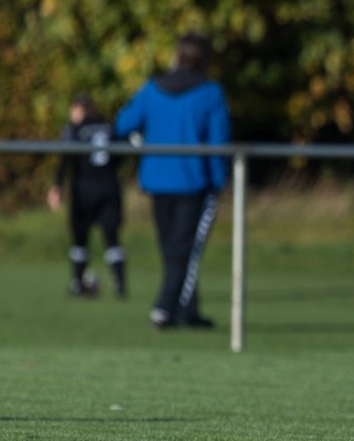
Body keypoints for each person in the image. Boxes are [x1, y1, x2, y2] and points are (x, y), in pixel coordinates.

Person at [114, 33, 231, 330]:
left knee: (173, 249)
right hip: (193, 183)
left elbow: (123, 123)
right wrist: (219, 182)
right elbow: (218, 145)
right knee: (183, 251)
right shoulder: (211, 93)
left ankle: (187, 312)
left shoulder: (152, 90)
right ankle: (164, 309)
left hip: (157, 181)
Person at [48, 93, 127, 298]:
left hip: (83, 188)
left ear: (78, 109)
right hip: (109, 187)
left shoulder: (74, 129)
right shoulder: (108, 127)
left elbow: (66, 157)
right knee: (112, 237)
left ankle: (77, 283)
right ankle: (120, 285)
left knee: (80, 237)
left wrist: (57, 185)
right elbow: (119, 156)